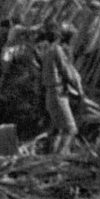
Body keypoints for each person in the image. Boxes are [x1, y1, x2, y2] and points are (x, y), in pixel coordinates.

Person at [36, 24, 83, 155]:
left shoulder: (48, 51)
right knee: (71, 130)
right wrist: (79, 91)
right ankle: (59, 159)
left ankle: (51, 156)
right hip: (58, 93)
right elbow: (67, 72)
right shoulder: (57, 50)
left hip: (50, 93)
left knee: (57, 129)